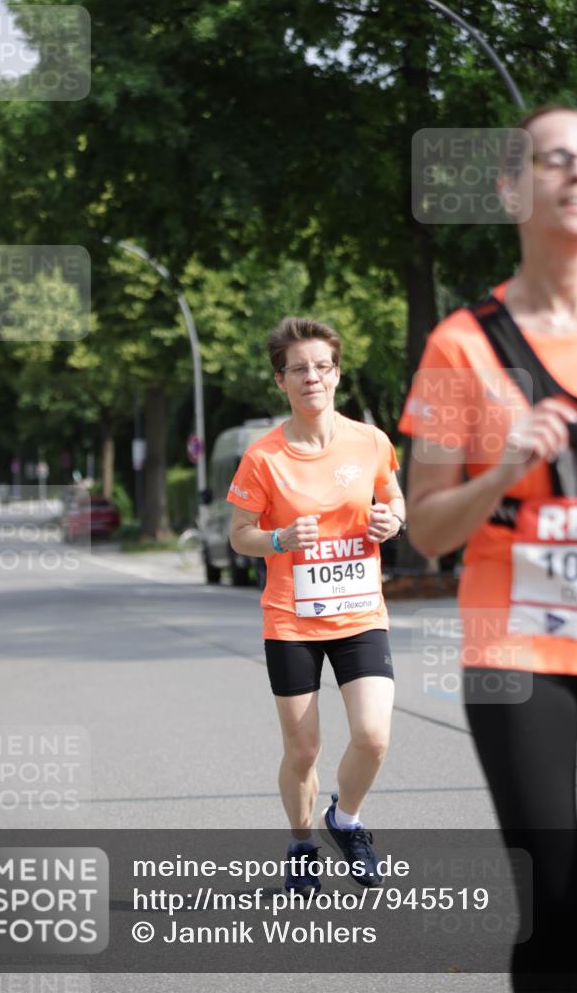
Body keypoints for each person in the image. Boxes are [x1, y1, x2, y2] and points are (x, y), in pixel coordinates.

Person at [399, 105, 577, 991]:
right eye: (553, 160)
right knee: (551, 896)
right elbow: (426, 528)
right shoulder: (459, 345)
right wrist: (503, 468)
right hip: (515, 647)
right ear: (510, 189)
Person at [228, 317, 405, 893]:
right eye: (299, 369)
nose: (312, 378)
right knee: (303, 750)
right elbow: (239, 535)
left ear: (337, 373)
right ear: (281, 380)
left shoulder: (371, 441)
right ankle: (302, 843)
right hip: (291, 620)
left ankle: (346, 820)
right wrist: (278, 540)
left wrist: (392, 520)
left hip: (359, 612)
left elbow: (393, 495)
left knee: (374, 735)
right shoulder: (263, 458)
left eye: (322, 366)